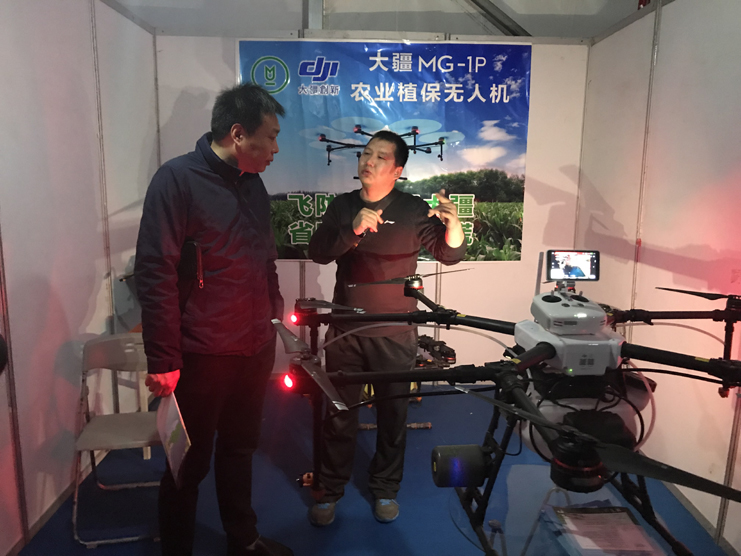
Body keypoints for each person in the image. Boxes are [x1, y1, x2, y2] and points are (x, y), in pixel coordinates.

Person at [135, 83, 292, 556]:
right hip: (201, 352)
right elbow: (155, 271)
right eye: (271, 137)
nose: (276, 149)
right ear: (238, 134)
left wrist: (273, 312)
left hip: (253, 345)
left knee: (240, 449)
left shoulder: (253, 183)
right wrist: (163, 357)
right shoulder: (177, 180)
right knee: (188, 462)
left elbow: (265, 257)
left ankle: (243, 540)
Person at [307, 130, 466, 526]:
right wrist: (353, 230)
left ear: (397, 170)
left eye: (380, 157)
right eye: (366, 153)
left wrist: (454, 225)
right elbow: (318, 252)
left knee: (393, 418)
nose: (369, 161)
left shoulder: (412, 209)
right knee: (338, 415)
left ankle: (385, 487)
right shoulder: (343, 206)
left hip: (395, 334)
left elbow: (449, 254)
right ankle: (330, 488)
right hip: (345, 333)